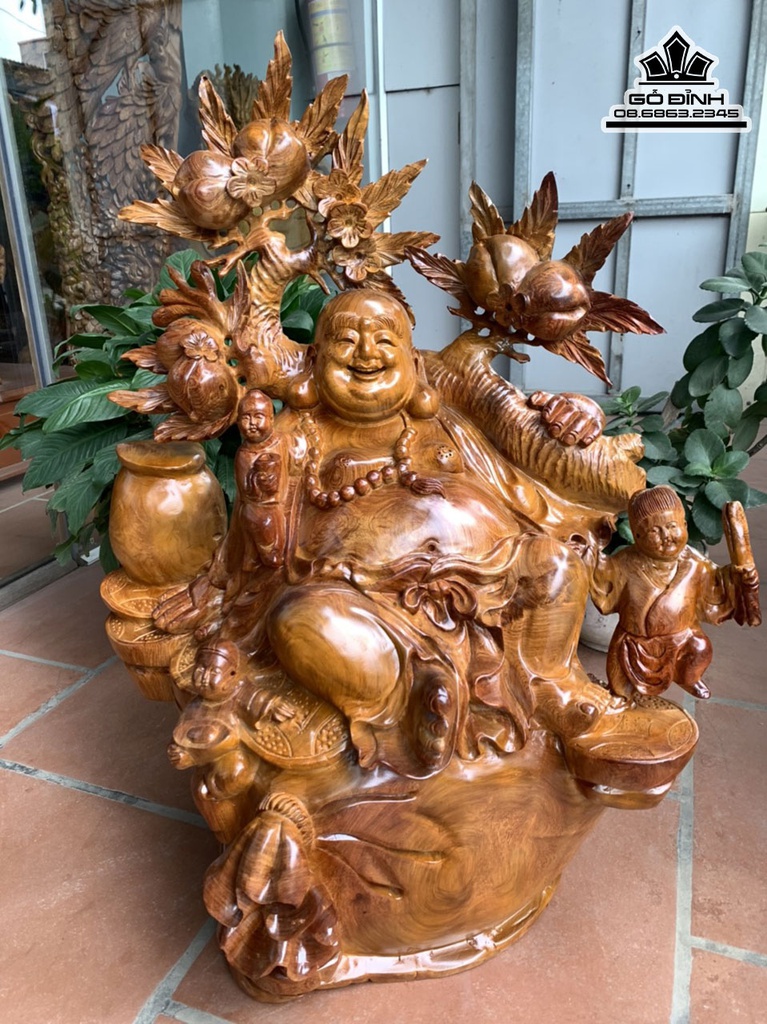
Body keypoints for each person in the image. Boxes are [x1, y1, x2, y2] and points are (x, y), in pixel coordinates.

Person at [591, 486, 759, 700]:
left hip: (682, 639)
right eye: (654, 531)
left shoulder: (694, 563)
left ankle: (688, 678)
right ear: (637, 535)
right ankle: (620, 696)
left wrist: (741, 580)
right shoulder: (625, 562)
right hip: (632, 643)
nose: (666, 536)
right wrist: (590, 551)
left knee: (700, 649)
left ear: (684, 525)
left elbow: (720, 582)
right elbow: (602, 575)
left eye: (672, 526)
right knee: (619, 685)